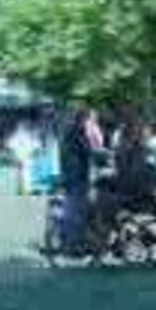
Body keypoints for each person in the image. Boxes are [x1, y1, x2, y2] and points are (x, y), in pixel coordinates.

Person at [58, 106, 94, 252]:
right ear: (82, 118)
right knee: (77, 209)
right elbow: (86, 150)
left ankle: (72, 239)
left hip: (71, 175)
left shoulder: (68, 131)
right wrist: (103, 155)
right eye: (88, 119)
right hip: (77, 175)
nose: (88, 122)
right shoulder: (77, 132)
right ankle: (73, 242)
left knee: (73, 207)